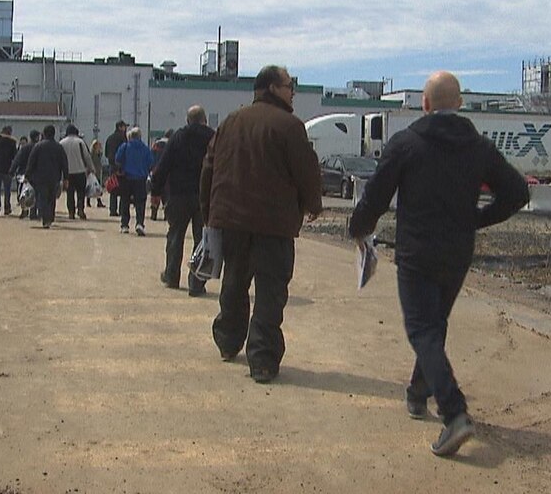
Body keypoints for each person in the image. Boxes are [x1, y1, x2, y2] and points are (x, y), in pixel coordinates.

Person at [348, 70, 529, 458]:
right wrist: (476, 219)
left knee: (422, 329)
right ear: (460, 104)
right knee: (434, 325)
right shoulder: (479, 148)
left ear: (425, 105)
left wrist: (358, 227)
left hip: (418, 253)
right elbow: (516, 192)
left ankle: (455, 413)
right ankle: (418, 393)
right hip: (457, 253)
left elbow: (376, 196)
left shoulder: (408, 143)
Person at [200, 65, 322, 384]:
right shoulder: (290, 126)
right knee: (270, 291)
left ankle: (227, 341)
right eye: (288, 85)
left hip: (232, 221)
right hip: (274, 224)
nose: (293, 91)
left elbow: (208, 169)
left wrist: (209, 214)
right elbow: (306, 171)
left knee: (234, 282)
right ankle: (263, 360)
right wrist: (313, 205)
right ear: (271, 88)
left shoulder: (229, 122)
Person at [150, 106, 214, 296]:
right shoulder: (213, 137)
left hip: (178, 194)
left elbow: (164, 165)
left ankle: (171, 275)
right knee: (202, 240)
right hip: (205, 196)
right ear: (205, 119)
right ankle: (197, 282)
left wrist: (156, 189)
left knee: (175, 235)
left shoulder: (178, 137)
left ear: (188, 120)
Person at [24, 125, 69, 229]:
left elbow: (31, 162)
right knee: (51, 198)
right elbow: (64, 163)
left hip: (40, 177)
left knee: (43, 198)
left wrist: (27, 175)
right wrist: (66, 178)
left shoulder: (38, 146)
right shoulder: (58, 147)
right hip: (54, 177)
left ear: (44, 133)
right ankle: (50, 217)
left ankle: (45, 219)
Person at [115, 127, 155, 235]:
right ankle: (140, 224)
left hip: (126, 178)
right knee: (140, 203)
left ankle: (124, 225)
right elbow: (151, 164)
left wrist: (121, 169)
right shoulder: (145, 149)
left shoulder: (125, 146)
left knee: (125, 201)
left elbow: (117, 160)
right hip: (141, 179)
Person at [60, 124, 94, 220]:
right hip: (80, 171)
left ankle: (71, 212)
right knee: (81, 192)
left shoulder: (62, 143)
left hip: (67, 172)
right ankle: (80, 210)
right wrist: (91, 168)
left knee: (69, 193)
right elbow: (87, 156)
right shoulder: (80, 142)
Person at [11, 129, 41, 220]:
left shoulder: (24, 148)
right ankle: (33, 212)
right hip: (36, 174)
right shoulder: (38, 147)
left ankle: (24, 210)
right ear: (36, 137)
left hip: (23, 173)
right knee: (35, 193)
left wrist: (12, 170)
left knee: (23, 192)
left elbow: (17, 160)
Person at [104, 120, 128, 217]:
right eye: (124, 127)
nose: (125, 128)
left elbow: (106, 153)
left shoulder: (109, 138)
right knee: (123, 189)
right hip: (121, 166)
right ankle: (122, 210)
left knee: (113, 188)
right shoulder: (123, 138)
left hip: (111, 166)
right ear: (120, 127)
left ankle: (112, 210)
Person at [149, 129, 173, 221]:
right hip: (168, 173)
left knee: (155, 193)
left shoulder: (156, 144)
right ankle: (167, 214)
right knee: (167, 194)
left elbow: (151, 158)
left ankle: (154, 213)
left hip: (156, 171)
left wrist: (151, 169)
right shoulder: (171, 144)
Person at [90, 139, 106, 208]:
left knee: (97, 188)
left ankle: (98, 201)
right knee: (92, 187)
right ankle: (90, 201)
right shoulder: (92, 153)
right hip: (93, 171)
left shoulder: (99, 153)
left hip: (98, 171)